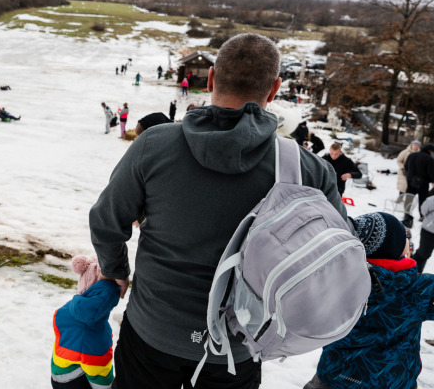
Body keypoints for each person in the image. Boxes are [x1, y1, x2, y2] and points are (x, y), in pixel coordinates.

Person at [89, 33, 344, 389]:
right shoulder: (308, 170)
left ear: (210, 78)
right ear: (274, 89)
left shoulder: (155, 145)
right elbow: (334, 256)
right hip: (237, 346)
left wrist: (116, 271)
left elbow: (105, 220)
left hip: (152, 331)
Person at [303, 212, 431, 389]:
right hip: (389, 383)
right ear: (394, 248)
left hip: (333, 376)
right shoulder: (416, 288)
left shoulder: (336, 278)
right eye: (404, 239)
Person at [50, 256, 120, 389]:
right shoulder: (96, 333)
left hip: (58, 376)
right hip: (76, 382)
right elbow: (98, 373)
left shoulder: (63, 311)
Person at [404, 143, 434, 217]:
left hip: (410, 181)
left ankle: (406, 214)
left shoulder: (412, 155)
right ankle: (422, 215)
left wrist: (409, 176)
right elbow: (431, 172)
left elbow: (406, 166)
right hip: (423, 183)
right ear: (430, 151)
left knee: (409, 198)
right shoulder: (429, 158)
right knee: (423, 200)